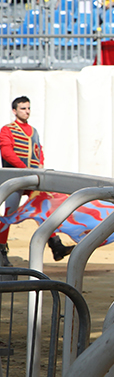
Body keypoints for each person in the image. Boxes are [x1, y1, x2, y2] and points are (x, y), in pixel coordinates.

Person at [0, 96, 74, 267]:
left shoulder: (33, 131)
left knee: (43, 209)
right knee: (9, 214)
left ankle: (56, 245)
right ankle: (1, 250)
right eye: (23, 109)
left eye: (28, 108)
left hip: (33, 178)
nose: (26, 111)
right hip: (15, 179)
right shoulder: (7, 130)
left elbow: (38, 152)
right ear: (14, 111)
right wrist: (26, 169)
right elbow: (6, 153)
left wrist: (39, 167)